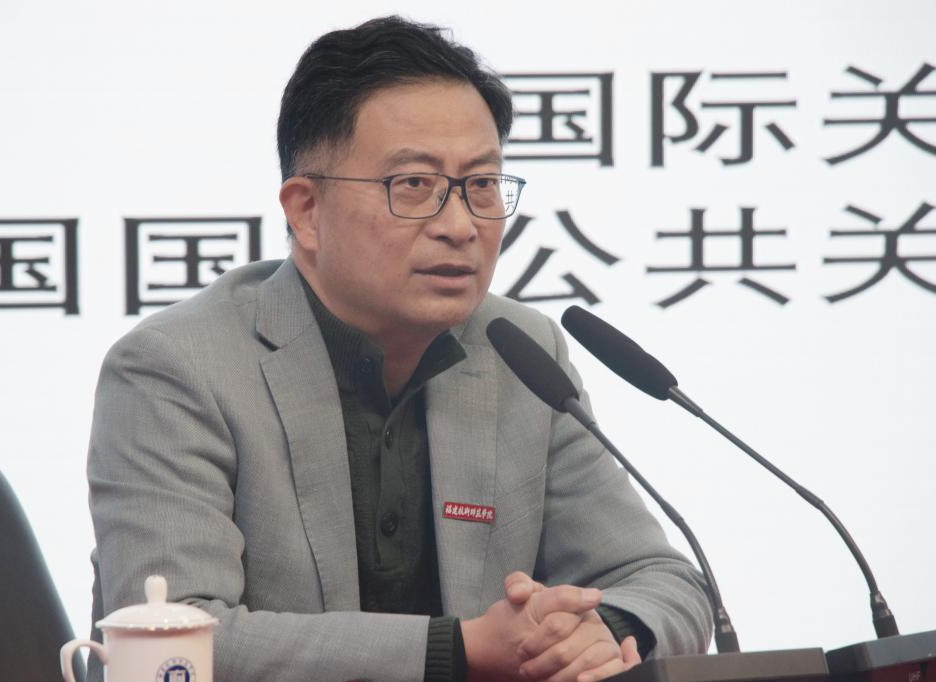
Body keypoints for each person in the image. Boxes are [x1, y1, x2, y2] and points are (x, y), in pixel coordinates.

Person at [86, 16, 711, 682]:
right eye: (413, 185)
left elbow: (665, 580)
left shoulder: (521, 353)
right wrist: (461, 648)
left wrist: (597, 631)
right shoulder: (176, 368)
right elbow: (170, 642)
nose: (459, 226)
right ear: (305, 211)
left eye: (481, 185)